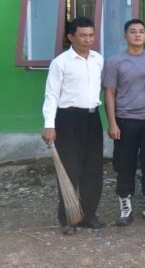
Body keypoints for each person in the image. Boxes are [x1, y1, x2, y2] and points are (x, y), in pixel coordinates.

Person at [41, 17, 105, 235]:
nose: (88, 40)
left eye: (91, 35)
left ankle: (89, 215)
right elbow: (51, 95)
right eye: (83, 35)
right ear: (71, 37)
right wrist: (49, 125)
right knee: (69, 169)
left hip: (92, 118)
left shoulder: (97, 59)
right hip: (68, 119)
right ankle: (69, 218)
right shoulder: (60, 63)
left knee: (93, 168)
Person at [104, 19, 145, 226]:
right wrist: (112, 123)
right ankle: (126, 207)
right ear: (125, 36)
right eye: (133, 31)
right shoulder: (115, 61)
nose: (137, 35)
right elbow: (109, 93)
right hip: (125, 119)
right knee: (125, 164)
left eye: (141, 31)